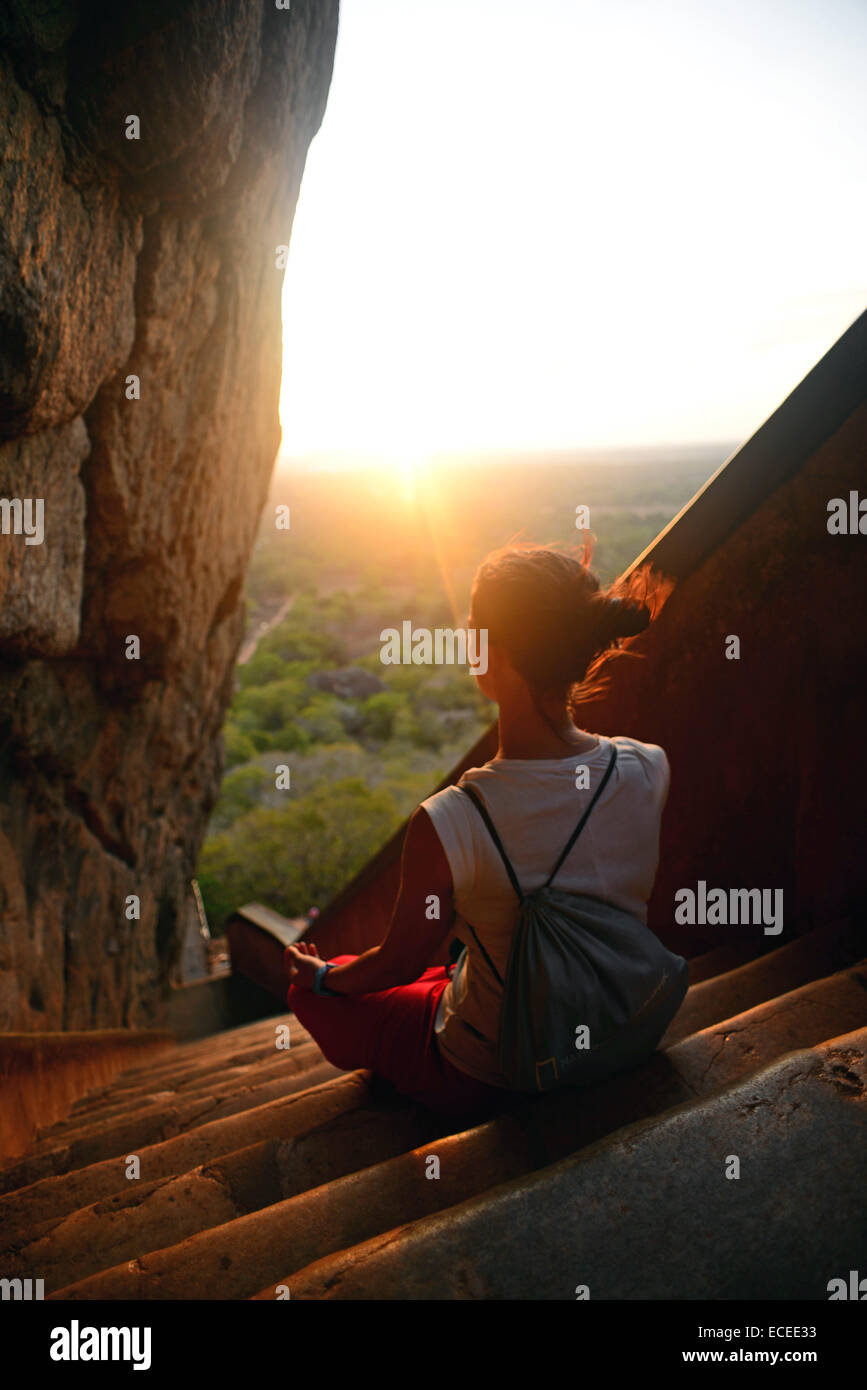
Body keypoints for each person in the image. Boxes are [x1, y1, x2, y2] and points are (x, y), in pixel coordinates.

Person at [285, 541, 673, 1120]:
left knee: (321, 989)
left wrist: (325, 980)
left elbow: (399, 963)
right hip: (628, 1027)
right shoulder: (648, 767)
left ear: (493, 653)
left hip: (499, 1070)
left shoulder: (451, 820)